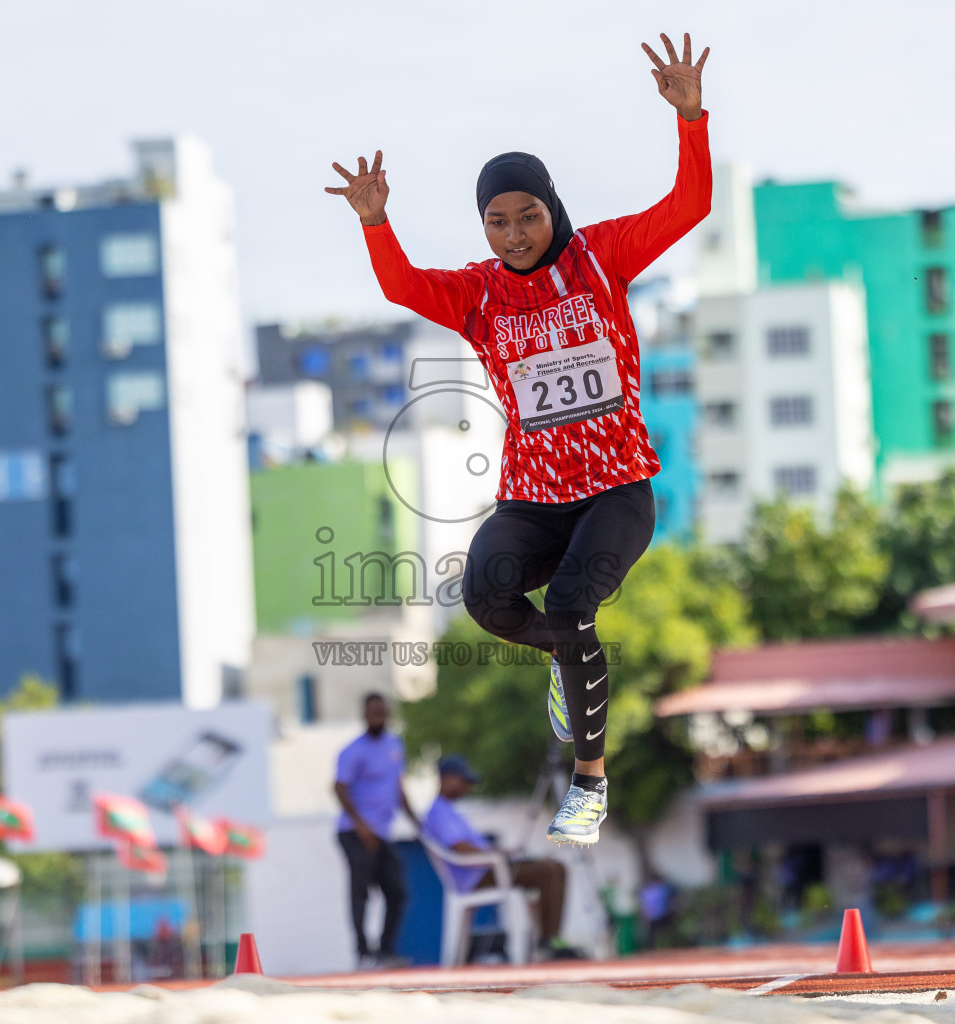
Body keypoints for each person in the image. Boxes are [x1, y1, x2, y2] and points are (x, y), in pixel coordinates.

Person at [327, 32, 712, 846]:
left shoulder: (601, 257)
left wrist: (690, 119)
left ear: (552, 208)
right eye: (496, 222)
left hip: (617, 490)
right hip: (534, 499)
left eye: (527, 215)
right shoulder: (477, 294)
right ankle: (565, 657)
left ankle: (590, 784)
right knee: (487, 596)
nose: (513, 234)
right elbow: (400, 283)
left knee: (574, 602)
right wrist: (376, 221)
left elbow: (689, 206)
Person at [421, 754, 583, 960]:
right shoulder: (438, 812)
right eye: (464, 781)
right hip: (478, 876)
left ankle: (549, 940)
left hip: (487, 868)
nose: (467, 788)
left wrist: (505, 854)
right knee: (549, 869)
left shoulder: (449, 811)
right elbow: (459, 847)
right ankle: (548, 943)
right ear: (447, 778)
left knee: (554, 866)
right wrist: (496, 855)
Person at [333, 692, 420, 969]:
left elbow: (398, 787)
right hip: (354, 831)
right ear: (364, 714)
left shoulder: (395, 745)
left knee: (397, 890)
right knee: (361, 891)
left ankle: (385, 950)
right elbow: (339, 787)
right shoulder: (352, 751)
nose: (377, 718)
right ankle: (362, 952)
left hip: (382, 832)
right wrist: (361, 824)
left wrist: (417, 821)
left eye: (382, 712)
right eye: (373, 713)